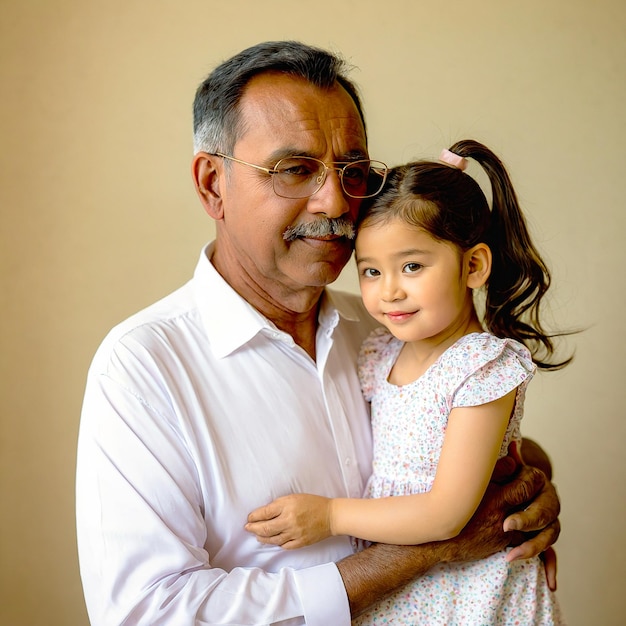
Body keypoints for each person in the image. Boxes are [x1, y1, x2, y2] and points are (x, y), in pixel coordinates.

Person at [76, 41, 561, 626]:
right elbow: (147, 614)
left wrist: (525, 485)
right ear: (213, 185)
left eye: (353, 171)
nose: (336, 201)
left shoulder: (387, 332)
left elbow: (451, 444)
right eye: (296, 170)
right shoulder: (143, 367)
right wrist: (430, 549)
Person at [245, 141, 570, 624]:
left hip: (470, 593)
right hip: (403, 587)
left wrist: (329, 516)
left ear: (473, 266)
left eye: (412, 266)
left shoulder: (480, 365)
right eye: (371, 271)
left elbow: (446, 513)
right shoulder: (380, 352)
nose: (389, 290)